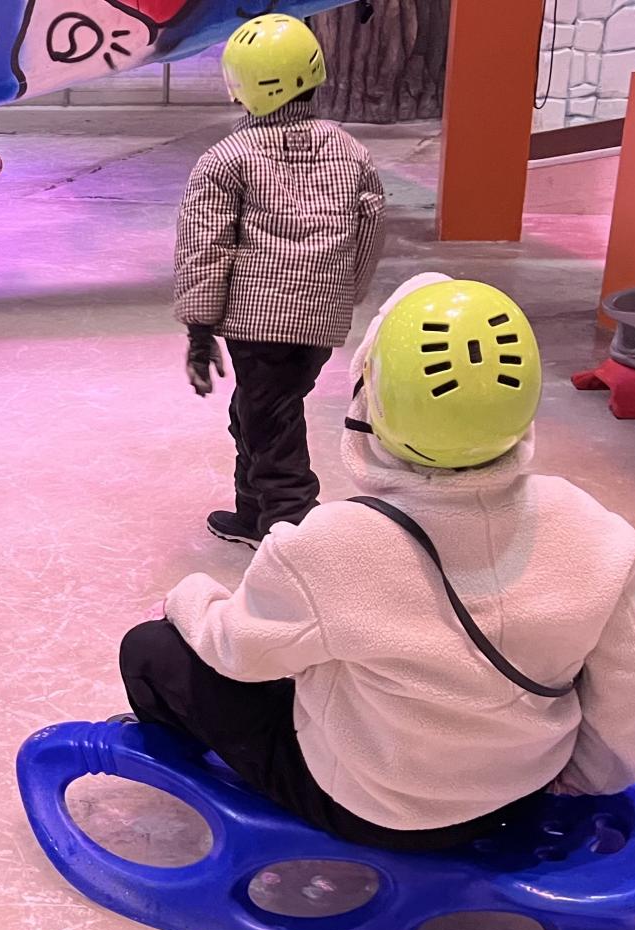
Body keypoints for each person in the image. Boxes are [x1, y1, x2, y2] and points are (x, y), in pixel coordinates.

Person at [120, 274, 635, 853]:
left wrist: (188, 597)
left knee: (151, 650)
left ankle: (200, 780)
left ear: (372, 404)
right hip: (522, 791)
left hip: (373, 807)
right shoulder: (593, 527)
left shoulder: (332, 544)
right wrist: (588, 780)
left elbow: (239, 651)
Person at [174, 14, 386, 549]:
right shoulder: (352, 151)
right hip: (318, 323)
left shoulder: (226, 159)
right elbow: (369, 230)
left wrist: (200, 330)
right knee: (258, 410)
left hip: (258, 322)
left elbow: (205, 247)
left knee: (272, 425)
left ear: (239, 85)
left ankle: (291, 532)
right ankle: (253, 514)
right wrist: (341, 296)